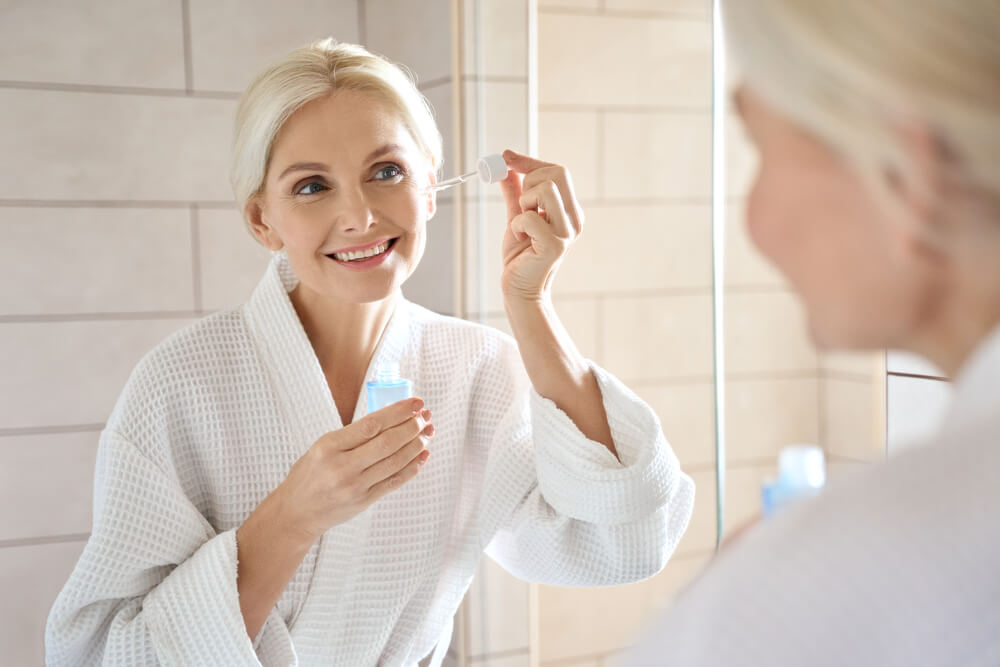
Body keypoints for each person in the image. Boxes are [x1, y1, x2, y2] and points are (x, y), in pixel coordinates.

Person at [44, 39, 695, 666]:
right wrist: (293, 516)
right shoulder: (181, 383)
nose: (360, 215)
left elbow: (628, 538)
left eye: (386, 172)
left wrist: (533, 303)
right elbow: (105, 652)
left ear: (431, 187)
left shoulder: (477, 370)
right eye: (311, 186)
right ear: (261, 219)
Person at [628, 2, 1000, 665]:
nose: (753, 222)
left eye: (760, 147)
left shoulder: (845, 579)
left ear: (904, 172)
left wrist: (740, 601)